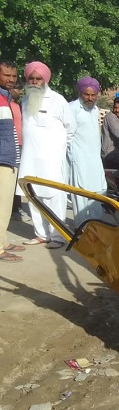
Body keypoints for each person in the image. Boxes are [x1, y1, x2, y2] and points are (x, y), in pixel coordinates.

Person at [17, 61, 75, 248]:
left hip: (52, 159)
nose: (34, 82)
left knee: (54, 196)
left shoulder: (58, 100)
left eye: (38, 78)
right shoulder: (25, 100)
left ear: (46, 80)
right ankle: (41, 234)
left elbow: (71, 128)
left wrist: (58, 149)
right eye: (31, 78)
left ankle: (58, 236)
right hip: (30, 158)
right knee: (33, 195)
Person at [68, 76, 107, 225]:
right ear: (80, 93)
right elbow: (67, 135)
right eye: (86, 94)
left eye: (93, 95)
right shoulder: (72, 108)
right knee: (81, 196)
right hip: (79, 160)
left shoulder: (95, 110)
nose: (90, 98)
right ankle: (82, 230)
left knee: (98, 193)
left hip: (95, 161)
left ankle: (97, 227)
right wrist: (72, 157)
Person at [0, 59, 24, 262]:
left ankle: (3, 241)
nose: (11, 79)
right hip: (1, 160)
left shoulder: (6, 99)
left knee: (6, 205)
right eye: (6, 75)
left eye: (14, 76)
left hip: (9, 159)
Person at [8, 77, 30, 223]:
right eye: (18, 88)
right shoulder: (6, 105)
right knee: (12, 179)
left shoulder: (18, 105)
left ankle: (16, 208)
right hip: (11, 145)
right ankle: (14, 210)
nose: (20, 92)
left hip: (22, 145)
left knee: (18, 179)